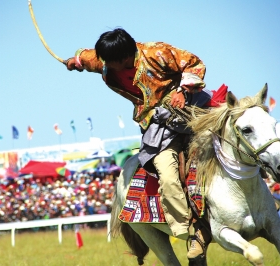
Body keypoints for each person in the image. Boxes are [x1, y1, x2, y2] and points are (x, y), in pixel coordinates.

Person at [66, 28, 214, 261]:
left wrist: (183, 91)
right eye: (103, 60)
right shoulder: (107, 60)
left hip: (190, 109)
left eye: (108, 61)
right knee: (166, 173)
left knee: (237, 135)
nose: (104, 64)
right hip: (157, 125)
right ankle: (188, 231)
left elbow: (194, 63)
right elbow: (87, 58)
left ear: (125, 57)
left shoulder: (156, 53)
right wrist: (75, 61)